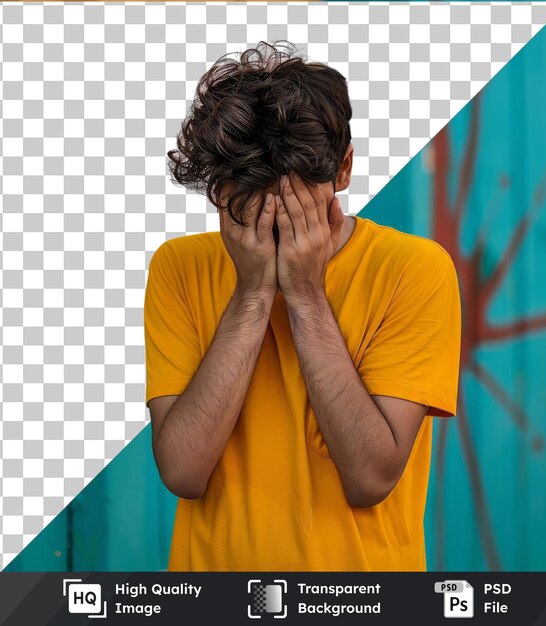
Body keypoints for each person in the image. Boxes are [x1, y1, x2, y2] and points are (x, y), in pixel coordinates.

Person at [144, 41, 462, 571]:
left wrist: (306, 293)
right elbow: (182, 471)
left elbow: (370, 479)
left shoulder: (413, 269)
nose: (273, 219)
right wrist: (251, 295)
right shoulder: (180, 266)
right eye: (249, 198)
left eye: (290, 200)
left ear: (342, 170)